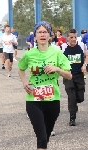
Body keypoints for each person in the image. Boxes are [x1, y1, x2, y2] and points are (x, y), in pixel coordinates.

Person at [18, 21, 72, 149]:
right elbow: (21, 69)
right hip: (34, 100)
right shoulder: (29, 54)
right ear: (35, 36)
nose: (42, 34)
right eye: (39, 32)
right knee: (41, 138)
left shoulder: (57, 53)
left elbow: (69, 75)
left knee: (46, 137)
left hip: (53, 100)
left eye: (45, 32)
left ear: (50, 35)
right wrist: (25, 82)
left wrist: (57, 69)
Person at [63, 29, 88, 126]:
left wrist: (84, 65)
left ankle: (74, 103)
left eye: (75, 37)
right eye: (71, 37)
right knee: (71, 95)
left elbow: (86, 55)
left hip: (79, 75)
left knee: (80, 98)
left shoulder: (81, 45)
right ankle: (72, 117)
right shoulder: (63, 47)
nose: (73, 39)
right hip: (68, 75)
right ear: (67, 38)